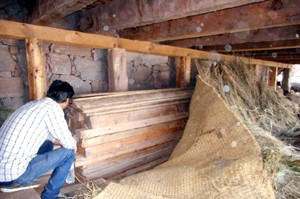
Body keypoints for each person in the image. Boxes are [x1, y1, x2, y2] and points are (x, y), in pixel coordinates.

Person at [0, 80, 77, 199]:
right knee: (69, 154)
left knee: (47, 143)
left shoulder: (34, 104)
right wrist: (73, 143)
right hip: (10, 176)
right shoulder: (53, 110)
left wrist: (62, 142)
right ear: (66, 100)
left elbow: (49, 137)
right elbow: (69, 145)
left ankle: (32, 172)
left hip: (2, 169)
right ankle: (51, 196)